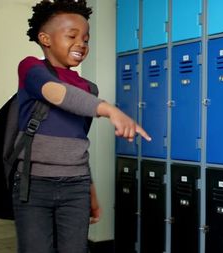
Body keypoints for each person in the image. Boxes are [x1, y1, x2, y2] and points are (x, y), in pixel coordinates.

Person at [13, 0, 151, 252]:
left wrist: (90, 191)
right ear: (45, 38)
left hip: (76, 186)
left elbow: (77, 142)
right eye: (72, 36)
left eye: (86, 39)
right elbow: (55, 93)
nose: (81, 44)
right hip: (33, 186)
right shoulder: (31, 68)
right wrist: (110, 110)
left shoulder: (89, 89)